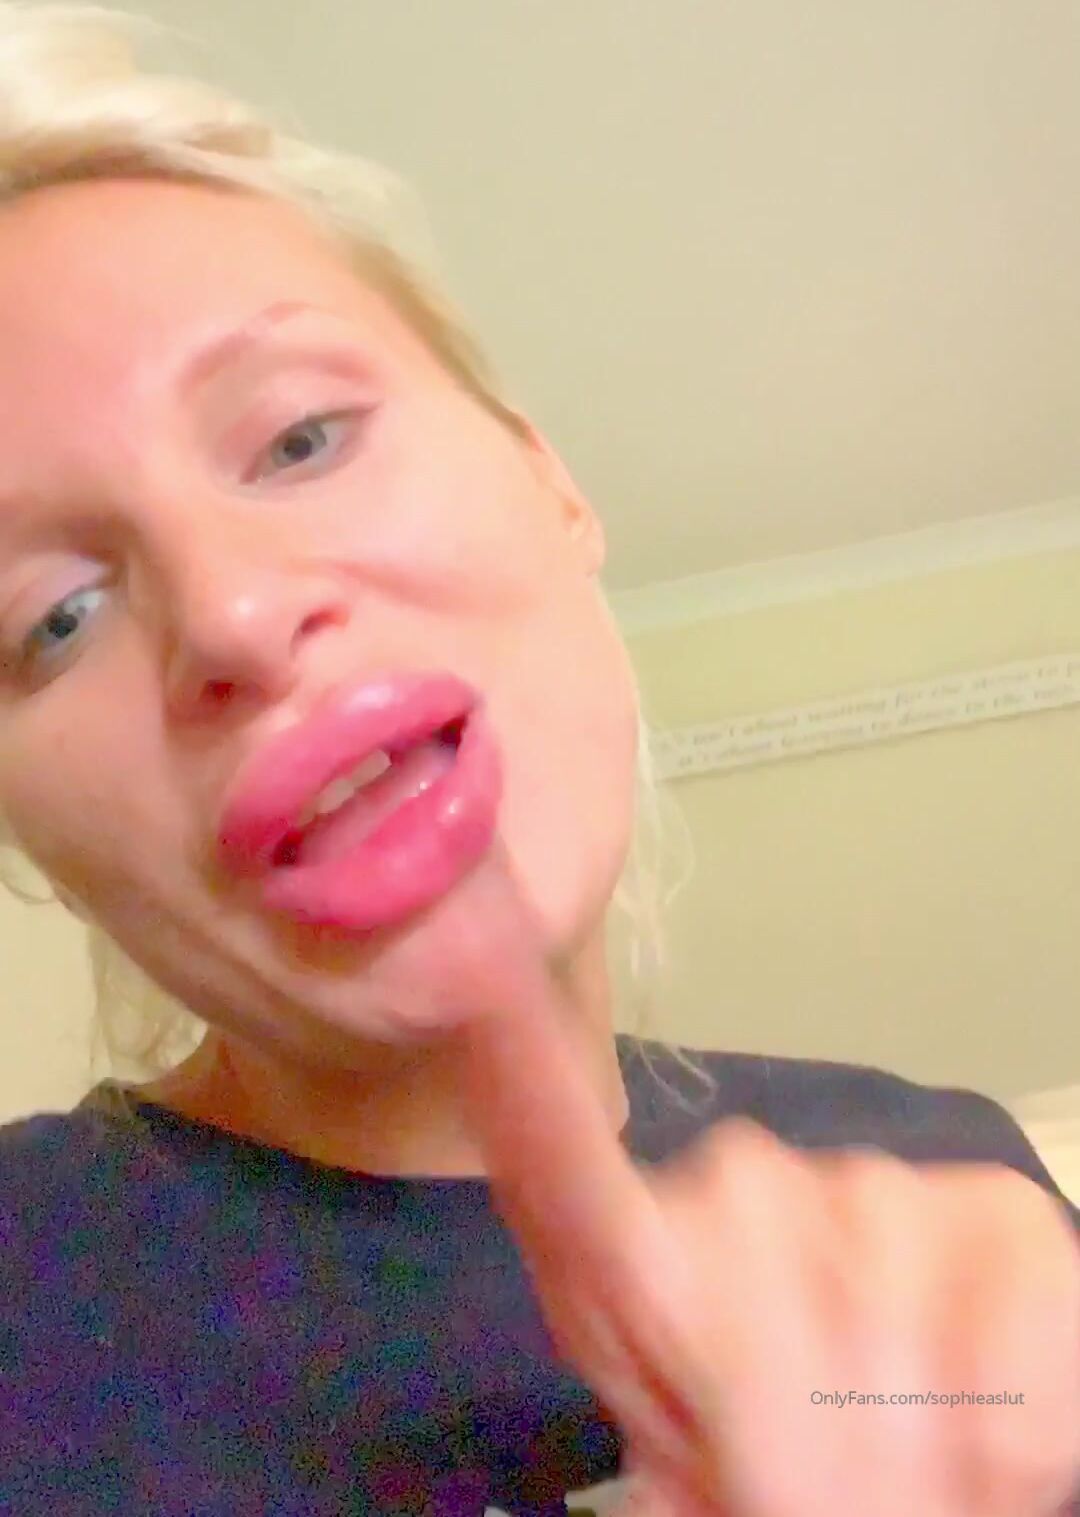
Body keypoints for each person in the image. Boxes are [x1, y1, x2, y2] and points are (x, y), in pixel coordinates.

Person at [0, 6, 1076, 1515]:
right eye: (52, 618)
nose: (231, 613)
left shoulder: (947, 1185)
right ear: (31, 841)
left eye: (301, 439)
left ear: (548, 480)